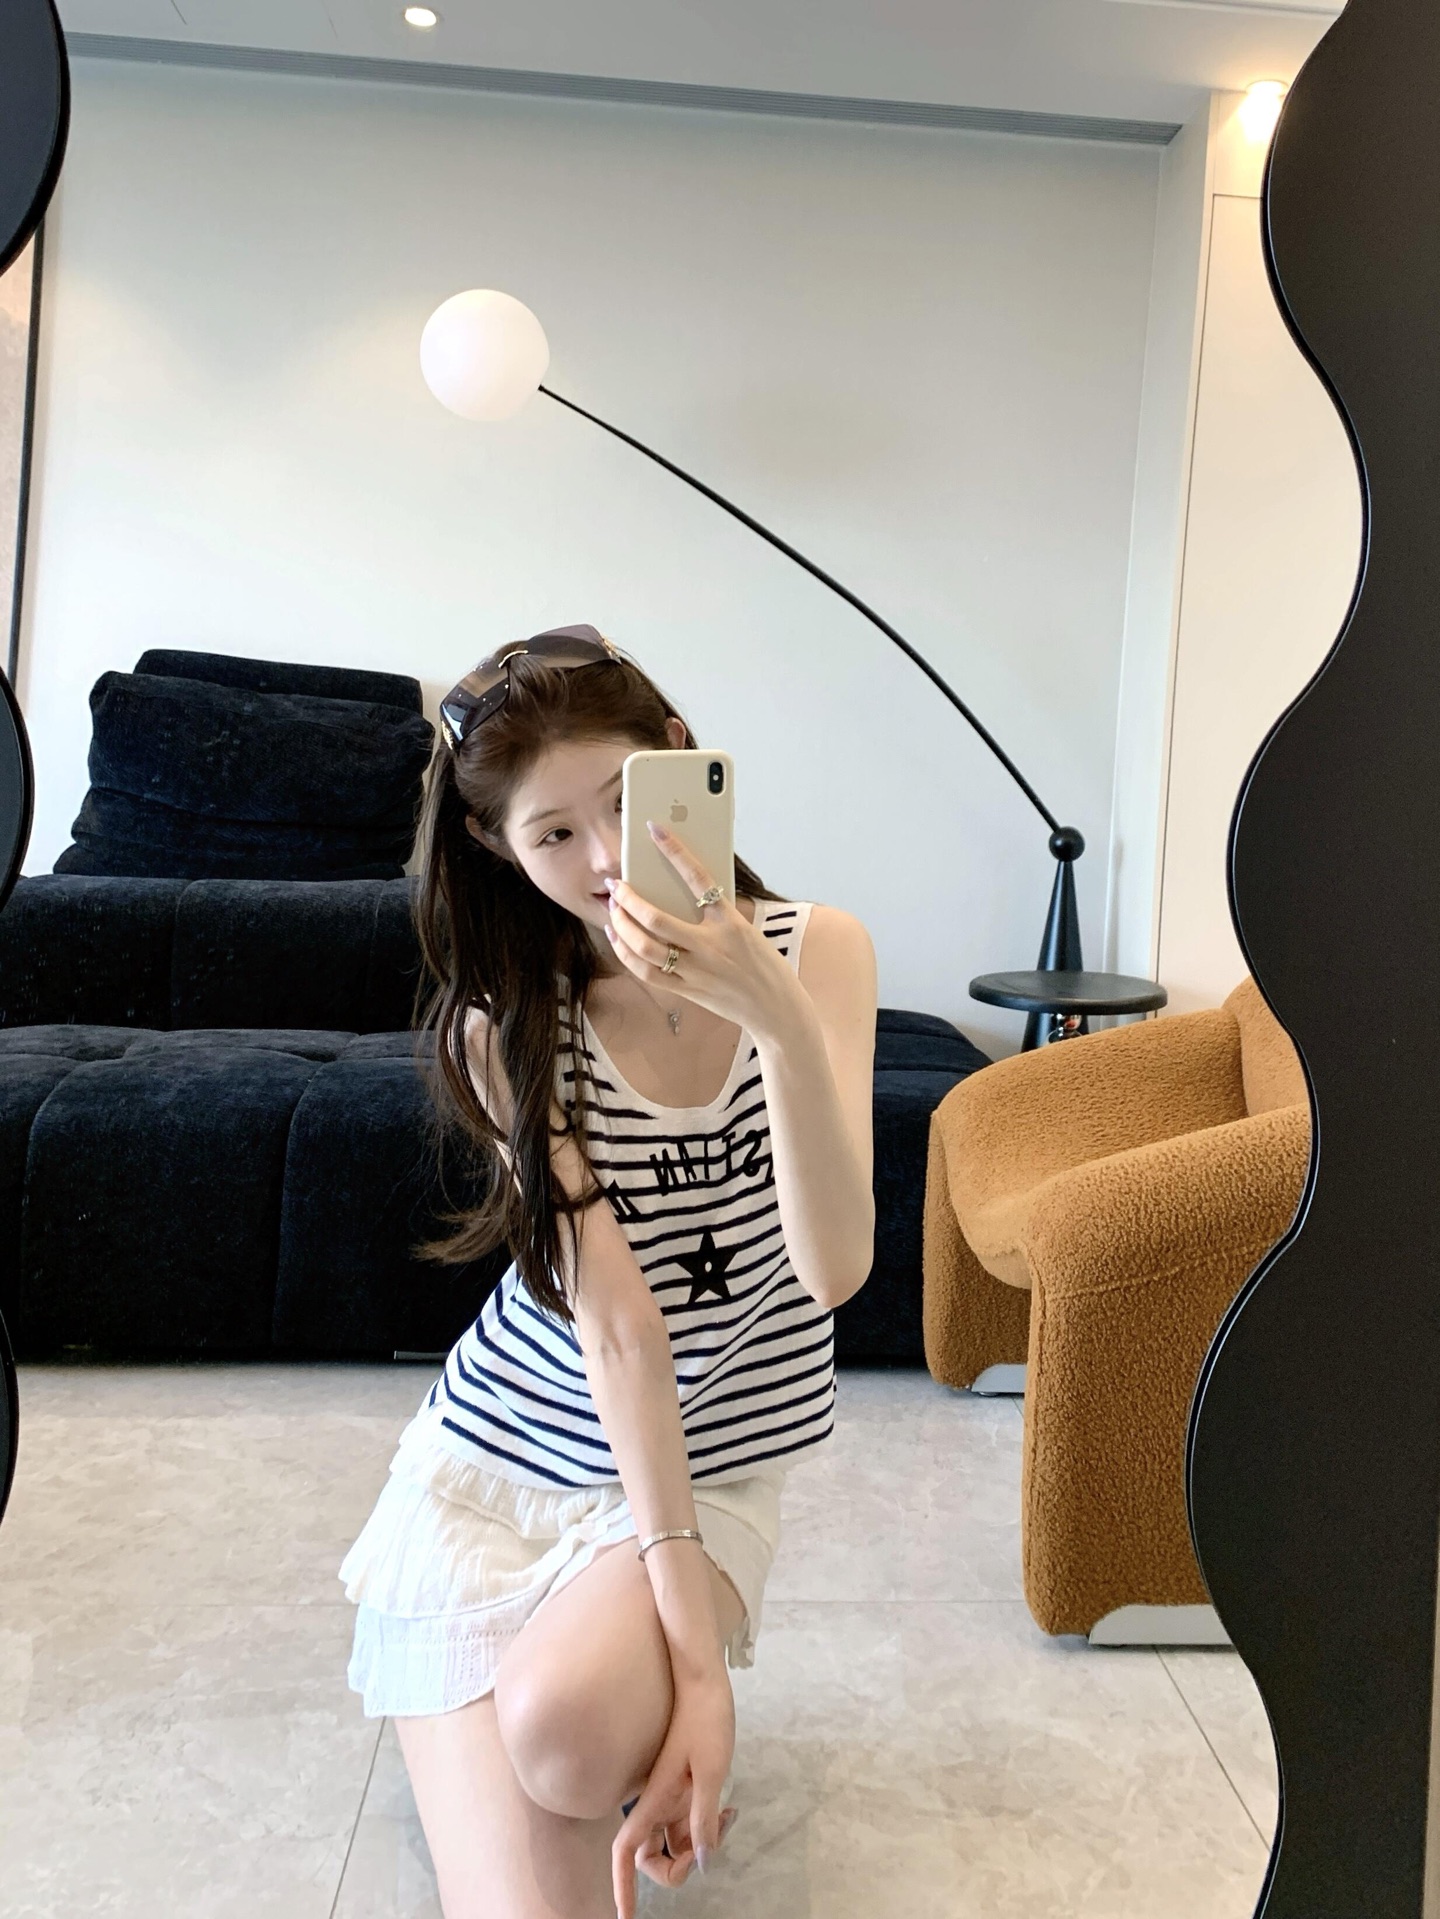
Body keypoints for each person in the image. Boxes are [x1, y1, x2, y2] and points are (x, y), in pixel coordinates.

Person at [338, 625, 877, 1919]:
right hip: (502, 1461)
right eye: (554, 834)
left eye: (626, 803)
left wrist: (773, 1014)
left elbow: (834, 1269)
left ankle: (571, 1704)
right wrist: (696, 1672)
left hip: (710, 1456)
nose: (602, 860)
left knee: (569, 1733)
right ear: (496, 848)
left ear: (682, 758)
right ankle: (496, 1688)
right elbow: (621, 1332)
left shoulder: (822, 953)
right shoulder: (507, 1028)